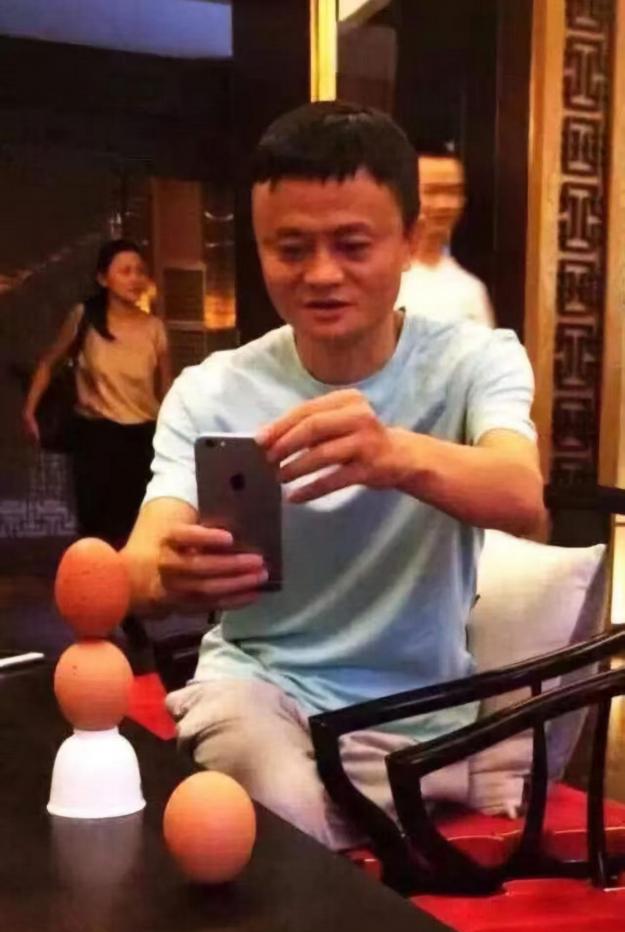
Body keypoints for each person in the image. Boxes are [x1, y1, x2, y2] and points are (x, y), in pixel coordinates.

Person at [122, 102, 543, 850]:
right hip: (256, 689)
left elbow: (521, 498)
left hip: (414, 720)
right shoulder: (212, 388)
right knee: (271, 803)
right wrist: (169, 575)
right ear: (259, 247)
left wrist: (395, 454)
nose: (321, 275)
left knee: (270, 837)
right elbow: (137, 565)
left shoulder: (475, 361)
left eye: (352, 245)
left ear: (408, 240)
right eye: (290, 248)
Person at [22, 238, 171, 550]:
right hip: (96, 436)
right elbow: (48, 363)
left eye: (140, 271)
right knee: (97, 532)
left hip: (141, 437)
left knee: (136, 528)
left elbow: (166, 390)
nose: (135, 278)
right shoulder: (85, 317)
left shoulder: (154, 328)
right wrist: (30, 411)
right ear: (103, 279)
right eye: (125, 271)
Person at [395, 147, 495, 326]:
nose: (443, 204)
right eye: (432, 191)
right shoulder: (384, 279)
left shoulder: (471, 290)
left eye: (452, 192)